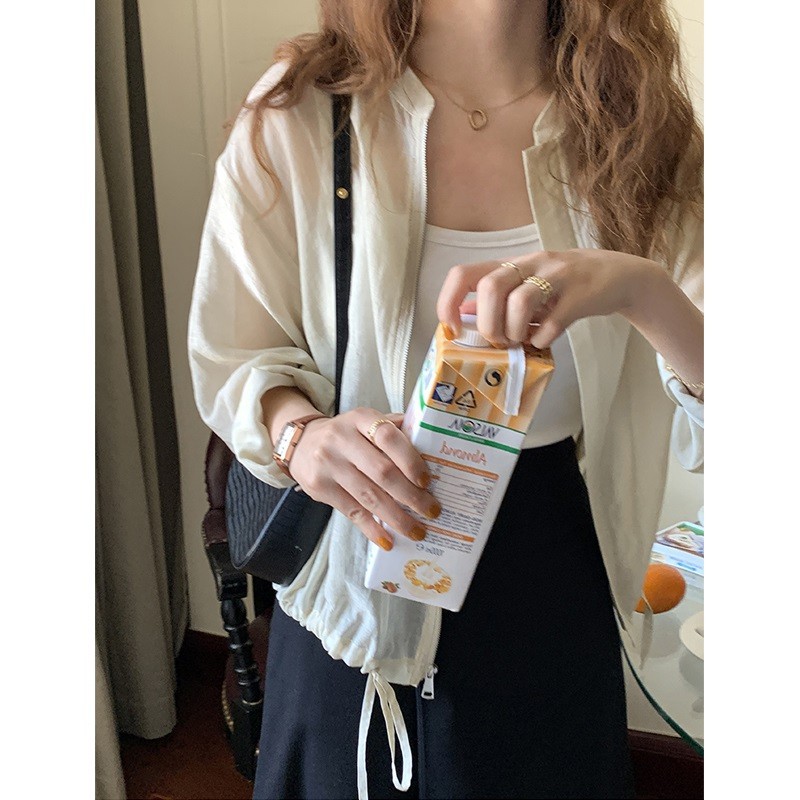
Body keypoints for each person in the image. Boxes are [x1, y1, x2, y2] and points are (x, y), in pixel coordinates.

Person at [188, 1, 703, 798]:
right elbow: (233, 356)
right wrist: (302, 438)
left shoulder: (636, 125)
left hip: (552, 574)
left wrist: (640, 289)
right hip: (357, 568)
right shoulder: (304, 111)